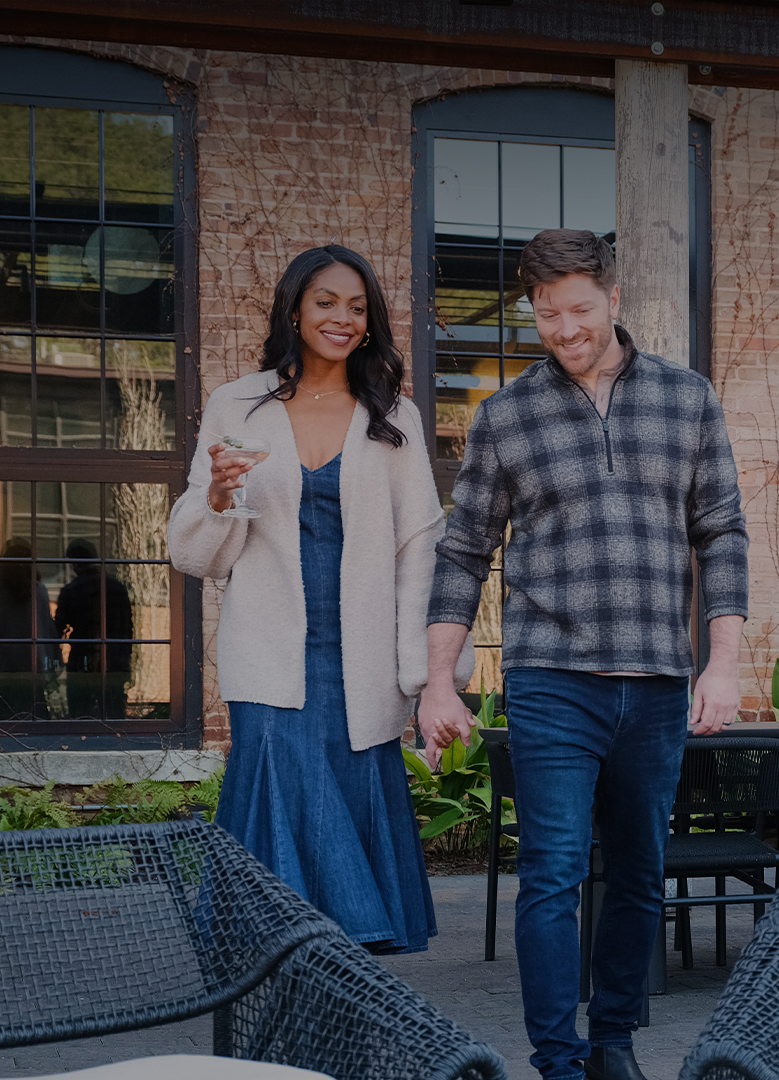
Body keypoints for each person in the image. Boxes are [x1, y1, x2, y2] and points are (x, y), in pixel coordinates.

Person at [421, 229, 748, 1080]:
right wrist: (437, 683)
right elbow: (463, 552)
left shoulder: (688, 399)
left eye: (578, 310)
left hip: (656, 681)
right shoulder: (505, 416)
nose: (563, 328)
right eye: (545, 313)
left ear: (612, 299)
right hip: (550, 681)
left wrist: (724, 661)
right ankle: (559, 1062)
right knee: (552, 873)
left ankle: (613, 1046)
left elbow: (721, 534)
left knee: (640, 873)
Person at [169, 244, 467, 954]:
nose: (342, 317)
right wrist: (217, 493)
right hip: (269, 655)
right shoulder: (238, 404)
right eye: (326, 301)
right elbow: (196, 554)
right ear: (295, 308)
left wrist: (427, 679)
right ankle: (294, 962)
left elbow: (419, 550)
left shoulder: (392, 415)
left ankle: (338, 983)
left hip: (361, 661)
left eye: (357, 307)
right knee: (286, 776)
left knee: (345, 785)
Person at [0, 537, 58, 720]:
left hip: (3, 665)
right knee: (34, 717)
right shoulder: (40, 590)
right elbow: (48, 631)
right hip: (33, 665)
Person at [53, 538, 135, 719]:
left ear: (73, 563)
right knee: (113, 715)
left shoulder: (71, 591)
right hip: (115, 663)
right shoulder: (118, 588)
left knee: (80, 716)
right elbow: (127, 628)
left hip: (82, 663)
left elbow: (57, 630)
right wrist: (125, 659)